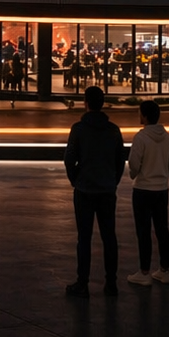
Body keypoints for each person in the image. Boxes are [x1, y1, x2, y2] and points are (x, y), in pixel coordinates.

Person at [64, 86, 126, 297]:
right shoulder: (113, 130)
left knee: (84, 237)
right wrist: (112, 181)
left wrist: (76, 180)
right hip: (107, 189)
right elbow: (120, 160)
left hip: (85, 190)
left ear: (86, 103)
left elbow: (69, 158)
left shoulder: (79, 129)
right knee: (109, 236)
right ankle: (111, 283)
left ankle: (83, 282)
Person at [127, 99, 169, 285]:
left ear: (145, 116)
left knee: (144, 230)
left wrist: (134, 175)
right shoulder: (168, 137)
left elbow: (133, 163)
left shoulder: (141, 138)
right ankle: (164, 269)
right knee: (162, 229)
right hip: (162, 189)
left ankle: (144, 271)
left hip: (143, 189)